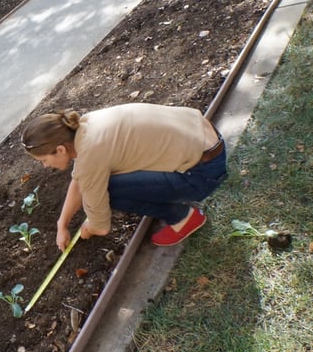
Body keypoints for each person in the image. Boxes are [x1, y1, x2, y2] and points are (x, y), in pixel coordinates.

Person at [20, 103, 228, 249]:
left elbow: (101, 227)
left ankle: (183, 218)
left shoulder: (91, 156)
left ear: (60, 150)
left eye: (43, 161)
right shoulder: (87, 125)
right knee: (102, 182)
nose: (46, 166)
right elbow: (80, 181)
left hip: (203, 174)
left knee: (108, 190)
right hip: (209, 139)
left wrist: (88, 228)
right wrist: (62, 224)